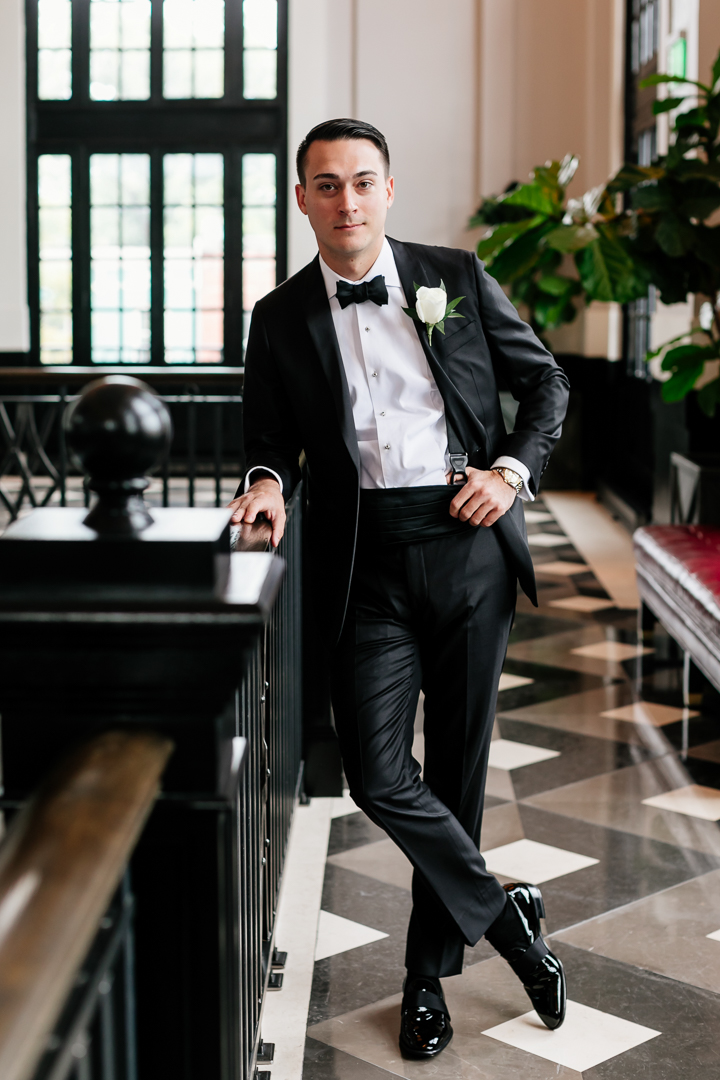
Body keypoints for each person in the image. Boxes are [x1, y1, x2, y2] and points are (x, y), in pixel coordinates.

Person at [229, 118, 570, 1059]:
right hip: (363, 561)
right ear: (302, 199)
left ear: (389, 190)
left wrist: (508, 471)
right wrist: (264, 483)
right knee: (379, 774)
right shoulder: (278, 317)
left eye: (363, 182)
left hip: (467, 551)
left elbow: (546, 386)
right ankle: (508, 922)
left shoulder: (454, 277)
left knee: (456, 775)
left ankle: (426, 982)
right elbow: (268, 441)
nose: (347, 201)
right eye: (327, 185)